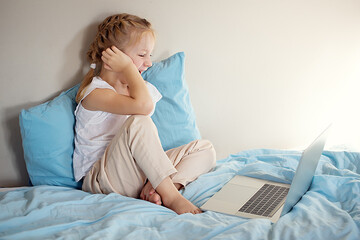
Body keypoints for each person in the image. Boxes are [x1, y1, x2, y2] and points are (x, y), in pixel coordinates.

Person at [73, 13, 216, 215]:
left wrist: (130, 71)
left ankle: (159, 188)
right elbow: (143, 109)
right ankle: (172, 198)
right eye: (142, 55)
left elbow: (143, 107)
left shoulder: (139, 90)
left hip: (137, 173)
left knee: (205, 148)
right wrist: (127, 69)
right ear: (113, 56)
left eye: (150, 55)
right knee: (139, 122)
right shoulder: (95, 93)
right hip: (104, 179)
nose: (149, 62)